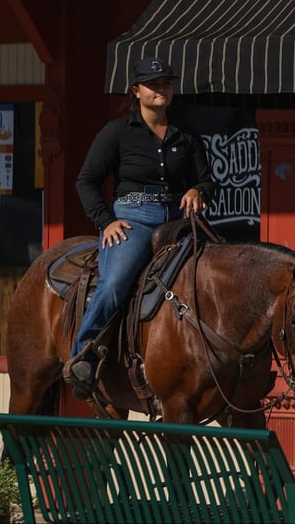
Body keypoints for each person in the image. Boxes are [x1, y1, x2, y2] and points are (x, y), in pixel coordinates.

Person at [63, 57, 217, 399]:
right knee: (114, 284)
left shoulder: (186, 134)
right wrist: (106, 221)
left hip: (178, 222)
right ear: (136, 91)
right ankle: (84, 355)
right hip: (133, 220)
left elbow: (207, 180)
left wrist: (198, 191)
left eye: (166, 83)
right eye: (153, 84)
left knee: (214, 276)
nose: (161, 89)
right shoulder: (117, 132)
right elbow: (86, 181)